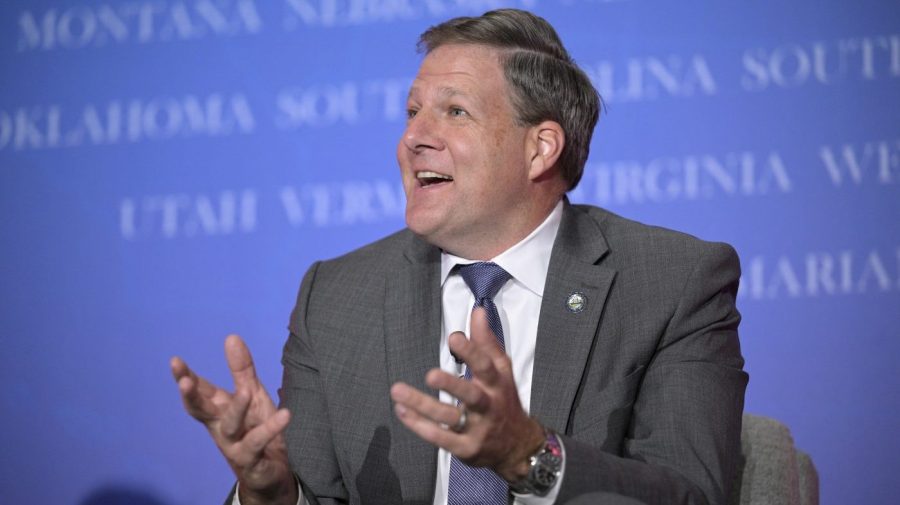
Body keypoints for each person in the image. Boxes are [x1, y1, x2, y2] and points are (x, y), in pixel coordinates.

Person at [171, 9, 747, 505]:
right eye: (412, 112)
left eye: (454, 112)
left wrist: (529, 456)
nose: (414, 138)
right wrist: (272, 494)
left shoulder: (671, 282)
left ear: (539, 148)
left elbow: (690, 493)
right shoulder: (337, 297)